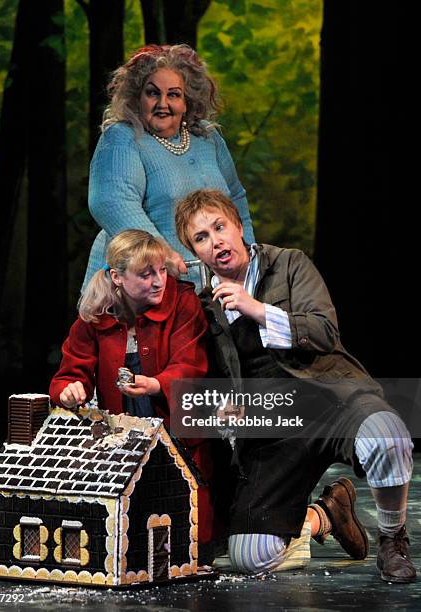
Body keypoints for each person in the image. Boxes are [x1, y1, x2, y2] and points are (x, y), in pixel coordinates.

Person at [174, 188, 416, 583]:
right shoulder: (205, 307)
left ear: (239, 226)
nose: (215, 241)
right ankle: (327, 514)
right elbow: (206, 376)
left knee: (387, 437)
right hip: (272, 424)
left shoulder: (289, 265)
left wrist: (256, 309)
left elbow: (323, 331)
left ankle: (393, 539)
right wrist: (223, 406)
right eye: (201, 237)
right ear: (194, 251)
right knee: (251, 557)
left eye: (220, 227)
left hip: (329, 396)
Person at [50, 229, 215, 551]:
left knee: (189, 537)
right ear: (117, 277)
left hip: (179, 434)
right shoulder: (95, 316)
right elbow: (71, 372)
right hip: (122, 444)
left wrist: (156, 384)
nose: (158, 281)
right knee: (127, 541)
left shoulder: (183, 302)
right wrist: (70, 389)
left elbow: (191, 365)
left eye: (162, 271)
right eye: (146, 274)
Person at [83, 44, 255, 291]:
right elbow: (112, 202)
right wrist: (162, 254)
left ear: (187, 101)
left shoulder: (207, 138)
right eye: (153, 93)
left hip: (214, 286)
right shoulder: (122, 137)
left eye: (174, 94)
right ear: (137, 97)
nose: (163, 103)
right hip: (141, 287)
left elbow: (236, 197)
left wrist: (247, 253)